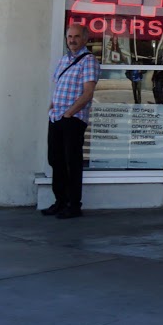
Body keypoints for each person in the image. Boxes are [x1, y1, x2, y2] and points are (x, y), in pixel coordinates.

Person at [45, 23, 98, 218]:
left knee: (72, 163)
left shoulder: (88, 61)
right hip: (56, 117)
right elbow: (59, 85)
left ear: (85, 39)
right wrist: (52, 107)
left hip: (73, 119)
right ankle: (60, 201)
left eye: (76, 36)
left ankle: (74, 205)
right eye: (69, 37)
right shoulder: (64, 59)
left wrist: (69, 113)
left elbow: (88, 93)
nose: (72, 40)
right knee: (55, 160)